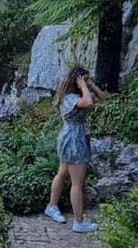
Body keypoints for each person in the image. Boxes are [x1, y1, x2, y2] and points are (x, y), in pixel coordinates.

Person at [44, 66, 106, 233]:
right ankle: (79, 221)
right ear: (76, 81)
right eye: (84, 79)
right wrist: (84, 86)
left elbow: (103, 98)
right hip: (73, 139)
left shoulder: (79, 95)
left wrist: (91, 85)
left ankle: (51, 206)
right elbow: (88, 103)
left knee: (62, 173)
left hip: (73, 136)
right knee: (77, 183)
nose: (86, 82)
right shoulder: (70, 97)